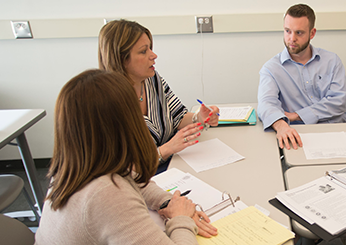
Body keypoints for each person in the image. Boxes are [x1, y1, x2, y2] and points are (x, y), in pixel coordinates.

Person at [36, 70, 217, 244]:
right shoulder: (107, 194)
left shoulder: (75, 165)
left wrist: (169, 203)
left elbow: (132, 177)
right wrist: (181, 219)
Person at [98, 19, 220, 173]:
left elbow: (178, 117)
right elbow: (123, 168)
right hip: (142, 180)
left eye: (150, 48)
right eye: (143, 51)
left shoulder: (152, 79)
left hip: (174, 165)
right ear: (121, 59)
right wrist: (166, 149)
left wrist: (199, 118)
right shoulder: (107, 104)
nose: (153, 55)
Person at [257, 3, 346, 150]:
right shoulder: (271, 69)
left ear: (312, 33)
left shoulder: (332, 61)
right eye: (287, 31)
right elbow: (266, 103)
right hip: (298, 136)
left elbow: (339, 102)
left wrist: (297, 115)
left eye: (299, 33)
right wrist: (281, 125)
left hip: (336, 132)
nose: (292, 38)